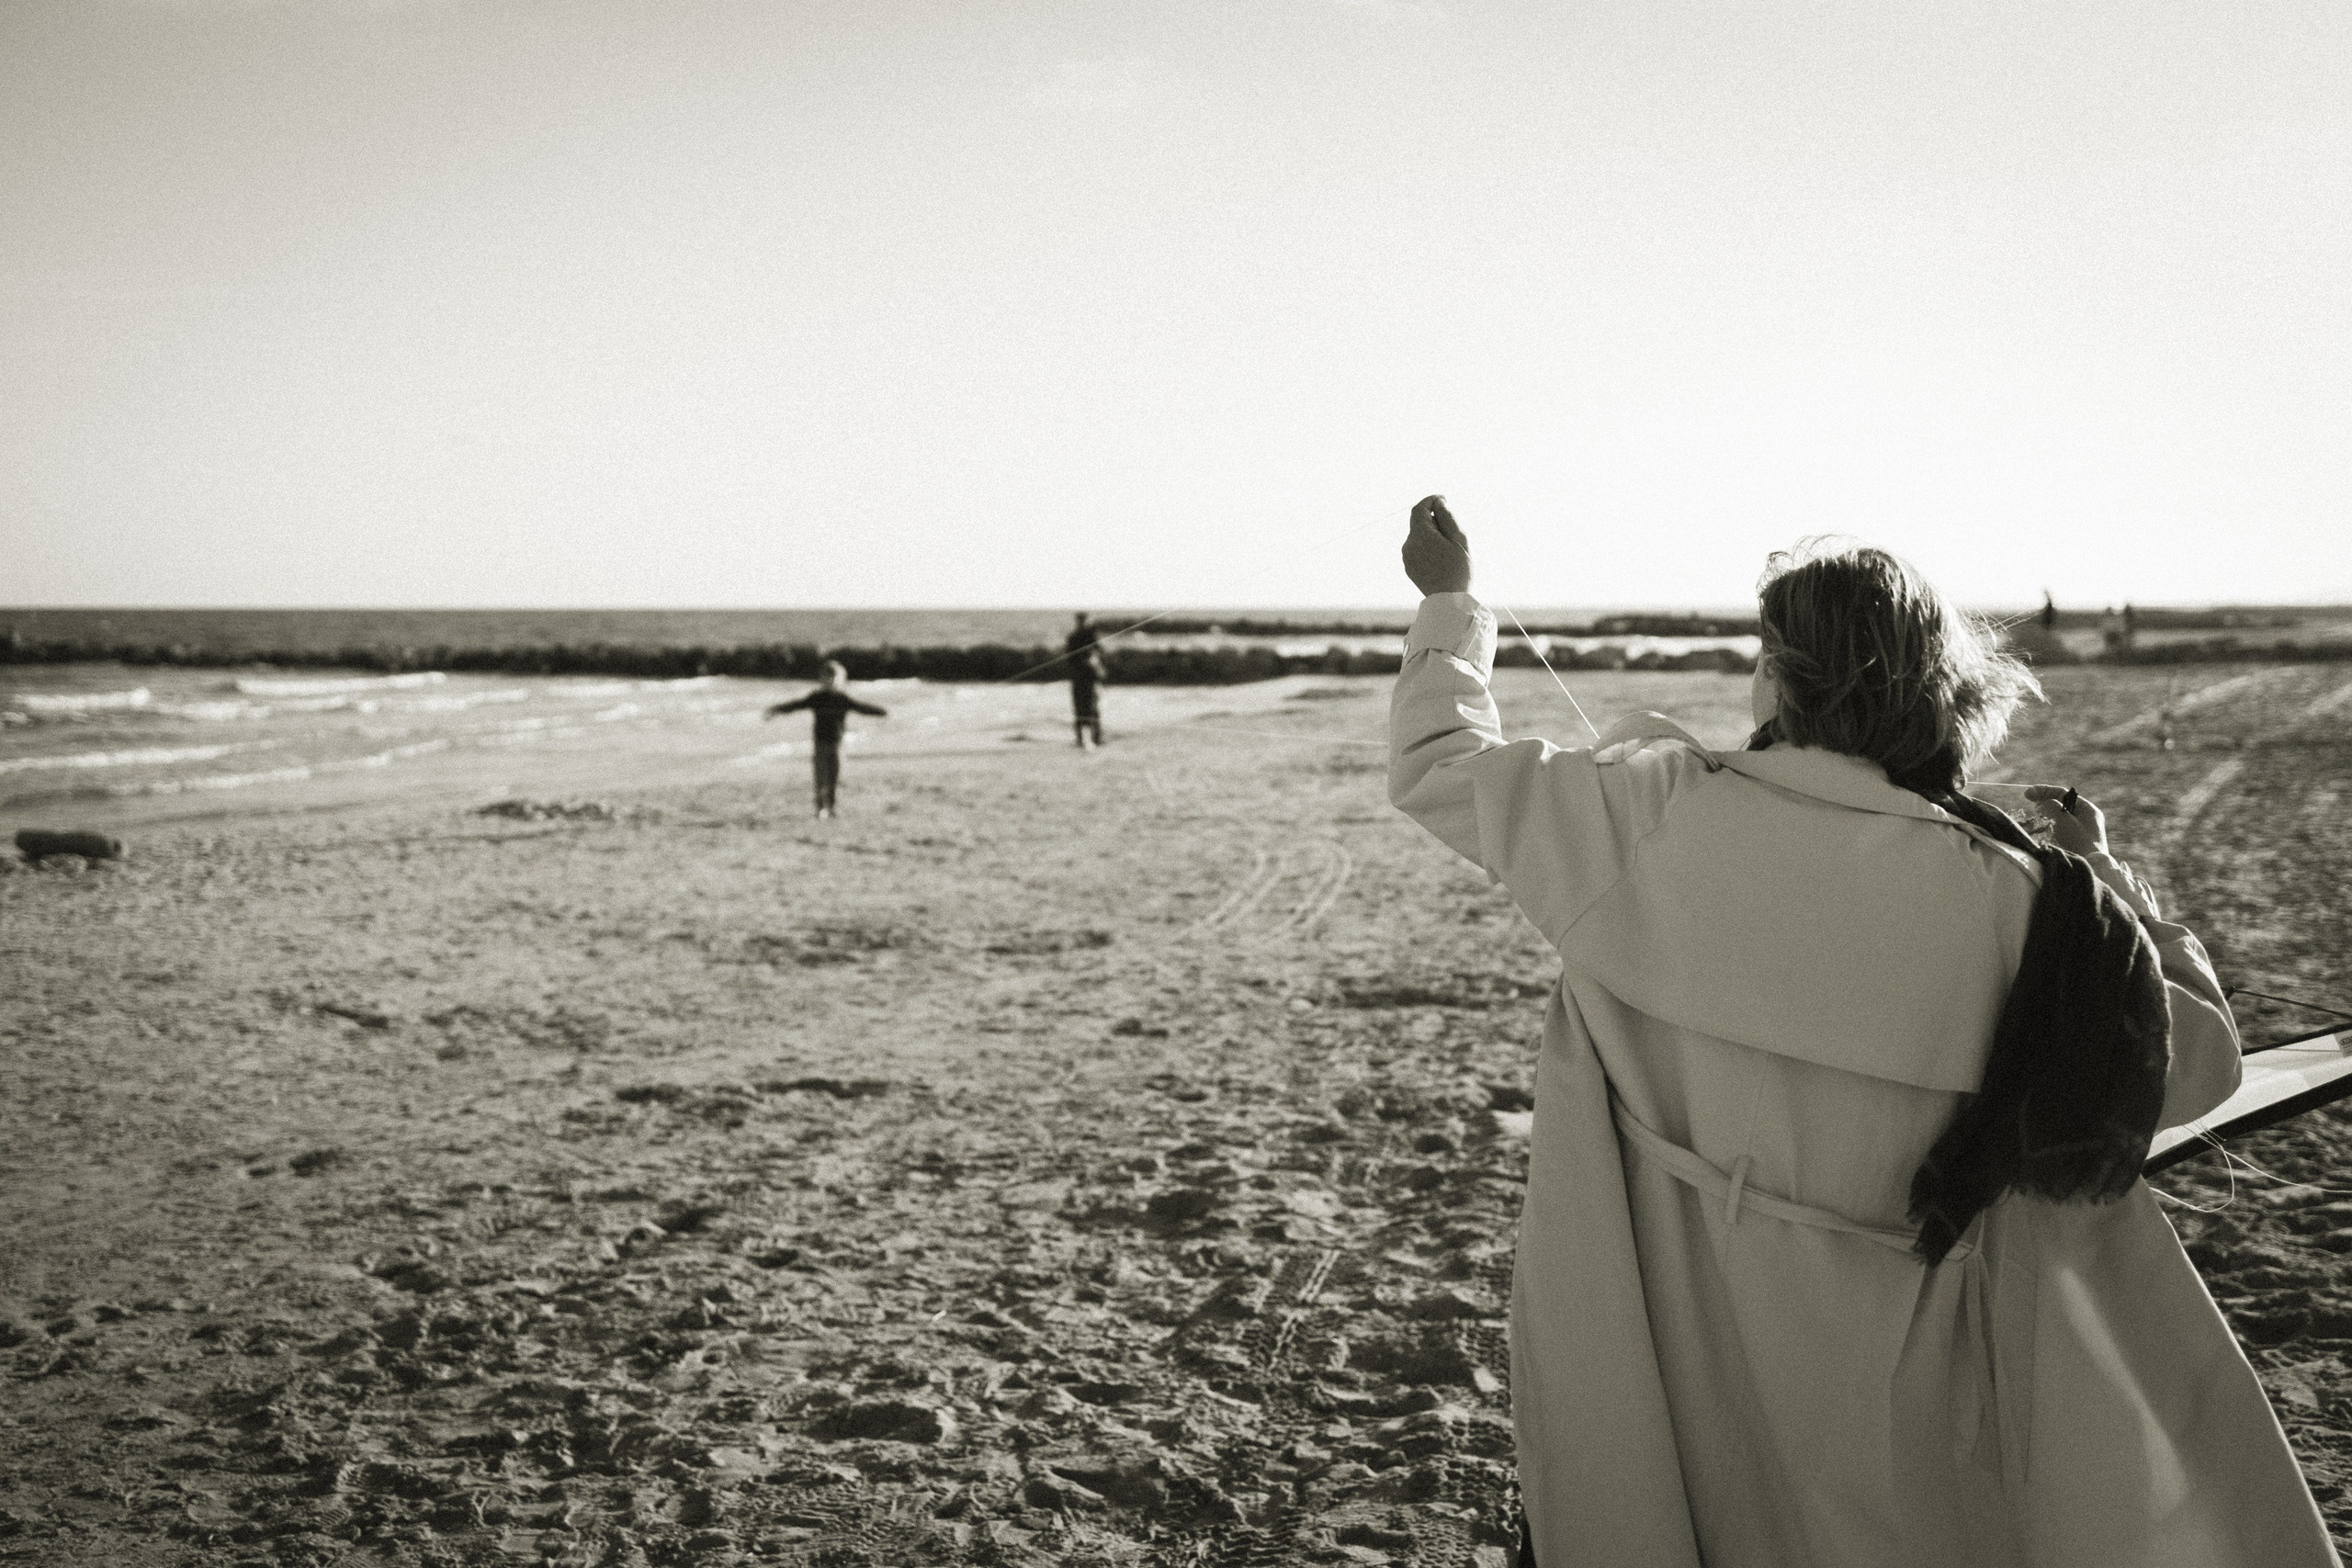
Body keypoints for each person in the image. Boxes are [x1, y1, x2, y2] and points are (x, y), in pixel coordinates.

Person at [1387, 495, 2334, 1568]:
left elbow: (1438, 763)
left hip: (1676, 1334)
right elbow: (2196, 1064)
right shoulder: (2025, 902)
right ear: (1943, 692)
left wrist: (1448, 598)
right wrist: (2107, 884)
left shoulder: (1647, 813)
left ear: (1780, 678)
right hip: (1906, 1359)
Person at [764, 660, 887, 819]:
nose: (830, 681)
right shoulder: (816, 698)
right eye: (826, 677)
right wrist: (777, 709)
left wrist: (880, 712)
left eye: (833, 678)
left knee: (834, 777)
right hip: (820, 743)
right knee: (820, 777)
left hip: (837, 744)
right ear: (821, 679)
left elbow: (861, 708)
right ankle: (821, 808)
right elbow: (796, 705)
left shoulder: (842, 698)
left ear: (840, 679)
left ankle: (832, 807)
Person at [1066, 612, 1107, 750]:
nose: (1083, 623)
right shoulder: (1076, 637)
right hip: (1081, 679)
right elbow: (1071, 659)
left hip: (1087, 679)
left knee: (1091, 708)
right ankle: (1082, 739)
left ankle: (1096, 738)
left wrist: (1098, 668)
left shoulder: (1087, 637)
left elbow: (1100, 653)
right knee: (1082, 709)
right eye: (1082, 621)